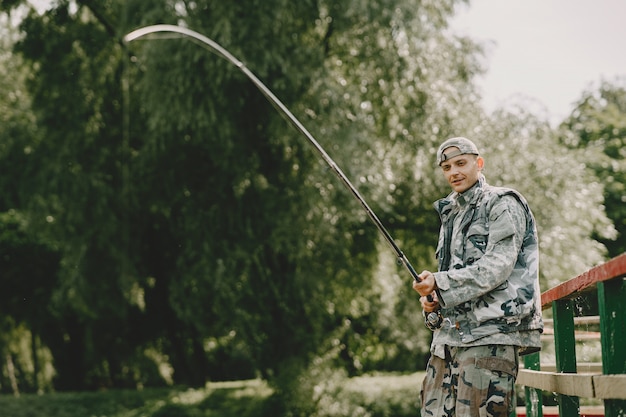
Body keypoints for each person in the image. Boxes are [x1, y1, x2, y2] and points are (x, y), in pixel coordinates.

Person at [412, 137, 543, 417]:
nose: (454, 172)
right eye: (446, 167)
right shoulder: (452, 215)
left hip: (490, 339)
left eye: (461, 163)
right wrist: (435, 301)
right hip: (448, 341)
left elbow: (498, 265)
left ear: (479, 163)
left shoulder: (502, 202)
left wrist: (441, 283)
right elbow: (453, 277)